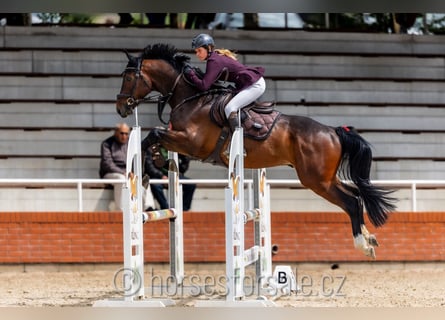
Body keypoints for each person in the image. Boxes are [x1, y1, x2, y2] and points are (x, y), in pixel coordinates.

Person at [183, 33, 266, 133]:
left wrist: (191, 74)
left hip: (255, 85)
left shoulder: (213, 61)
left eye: (199, 50)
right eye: (196, 51)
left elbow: (204, 86)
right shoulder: (215, 57)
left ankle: (238, 140)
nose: (197, 54)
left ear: (208, 48)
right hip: (250, 84)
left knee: (230, 108)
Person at [99, 123, 155, 211]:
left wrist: (133, 172)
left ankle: (148, 207)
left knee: (143, 179)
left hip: (129, 172)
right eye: (121, 133)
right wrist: (123, 172)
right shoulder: (107, 144)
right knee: (121, 179)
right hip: (111, 173)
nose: (124, 136)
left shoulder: (131, 144)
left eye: (126, 133)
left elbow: (137, 160)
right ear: (116, 132)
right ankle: (121, 209)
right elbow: (108, 163)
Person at [144, 146, 196, 211]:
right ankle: (165, 208)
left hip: (175, 175)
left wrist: (179, 171)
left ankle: (184, 210)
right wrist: (161, 176)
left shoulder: (176, 147)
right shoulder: (153, 148)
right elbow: (149, 167)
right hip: (159, 176)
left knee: (191, 185)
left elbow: (184, 164)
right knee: (155, 185)